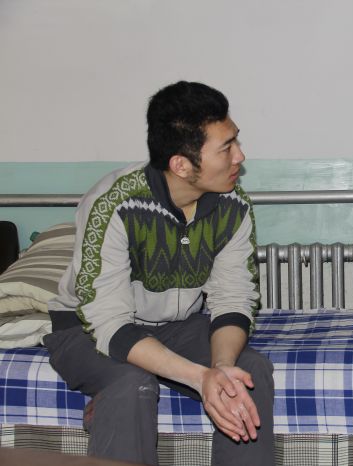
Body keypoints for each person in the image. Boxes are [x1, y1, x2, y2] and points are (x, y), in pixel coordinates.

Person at [44, 81, 274, 466]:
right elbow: (109, 323)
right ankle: (111, 405)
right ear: (181, 164)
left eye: (236, 140)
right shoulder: (114, 203)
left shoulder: (232, 206)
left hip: (174, 325)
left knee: (246, 372)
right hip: (86, 330)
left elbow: (233, 297)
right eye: (226, 148)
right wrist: (199, 378)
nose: (240, 155)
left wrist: (220, 369)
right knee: (131, 382)